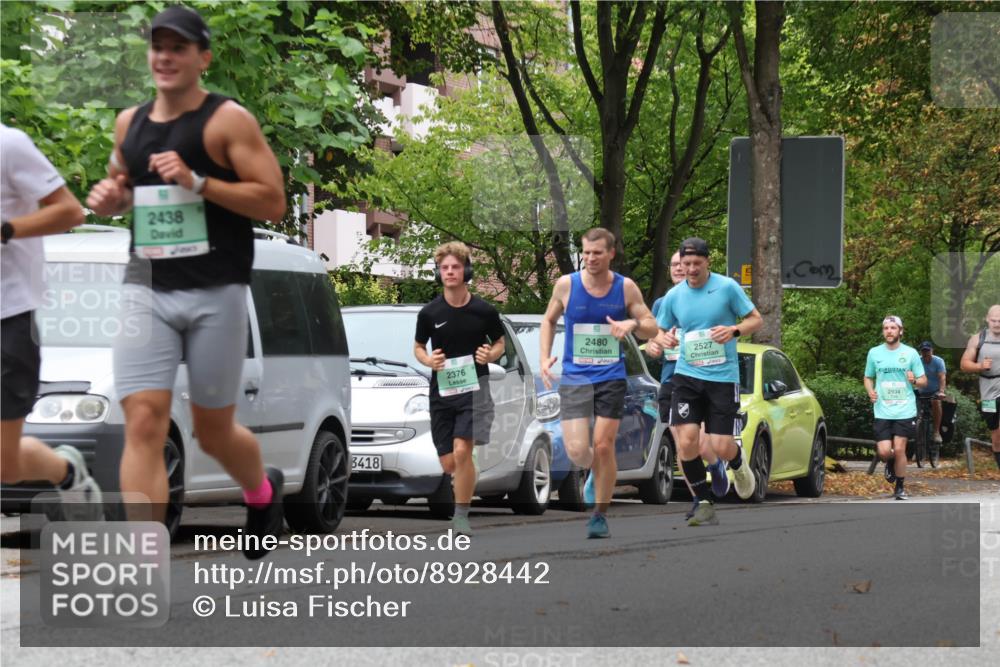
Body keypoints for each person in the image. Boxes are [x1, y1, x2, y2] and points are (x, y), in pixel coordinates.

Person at [85, 6, 287, 558]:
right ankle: (144, 559)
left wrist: (199, 181)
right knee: (144, 421)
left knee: (213, 430)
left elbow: (272, 200)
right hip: (145, 285)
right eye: (157, 47)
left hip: (215, 289)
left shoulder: (227, 120)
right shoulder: (131, 122)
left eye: (178, 48)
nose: (165, 57)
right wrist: (112, 199)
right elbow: (122, 184)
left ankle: (262, 491)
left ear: (203, 57)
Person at [1, 125, 103, 518]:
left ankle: (67, 472)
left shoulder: (8, 145)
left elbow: (69, 211)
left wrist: (6, 230)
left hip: (8, 315)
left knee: (5, 466)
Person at [540, 228, 658, 538]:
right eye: (586, 253)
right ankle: (595, 470)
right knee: (578, 451)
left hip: (610, 377)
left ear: (611, 254)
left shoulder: (625, 288)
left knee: (604, 446)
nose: (590, 258)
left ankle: (599, 516)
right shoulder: (567, 285)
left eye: (597, 253)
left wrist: (631, 324)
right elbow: (549, 320)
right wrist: (544, 357)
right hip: (576, 377)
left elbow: (651, 327)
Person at [653, 237, 762, 526]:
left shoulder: (727, 288)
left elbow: (756, 319)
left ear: (707, 262)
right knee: (686, 442)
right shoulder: (675, 296)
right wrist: (661, 339)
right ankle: (704, 501)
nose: (690, 269)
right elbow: (659, 331)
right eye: (685, 264)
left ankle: (737, 462)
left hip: (723, 378)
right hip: (687, 376)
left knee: (720, 444)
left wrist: (735, 330)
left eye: (696, 264)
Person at [414, 242, 505, 537]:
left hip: (474, 389)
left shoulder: (484, 311)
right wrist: (429, 359)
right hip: (442, 392)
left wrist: (490, 355)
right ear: (438, 273)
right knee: (450, 461)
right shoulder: (429, 313)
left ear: (466, 271)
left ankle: (461, 516)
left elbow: (501, 343)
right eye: (444, 268)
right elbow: (418, 347)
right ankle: (467, 472)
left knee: (462, 449)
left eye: (455, 267)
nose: (450, 272)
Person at [645, 250, 719, 521]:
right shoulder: (663, 304)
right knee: (681, 442)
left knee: (699, 443)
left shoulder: (710, 298)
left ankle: (716, 464)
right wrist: (653, 347)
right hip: (671, 377)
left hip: (704, 376)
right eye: (674, 264)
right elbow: (653, 341)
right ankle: (700, 499)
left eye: (683, 264)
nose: (678, 268)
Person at [863, 316, 926, 499]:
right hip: (882, 409)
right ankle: (890, 463)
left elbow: (924, 380)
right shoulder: (874, 353)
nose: (889, 331)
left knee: (899, 449)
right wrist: (870, 391)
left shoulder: (911, 353)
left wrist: (914, 380)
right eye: (886, 328)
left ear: (900, 331)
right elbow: (868, 377)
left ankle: (900, 487)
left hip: (905, 409)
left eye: (893, 327)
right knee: (884, 451)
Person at [960, 305, 1000, 469]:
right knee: (996, 435)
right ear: (987, 319)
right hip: (988, 390)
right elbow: (964, 364)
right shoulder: (978, 339)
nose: (997, 323)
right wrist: (980, 366)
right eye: (994, 320)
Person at [917, 341, 947, 445]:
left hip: (935, 391)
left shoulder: (938, 361)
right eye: (923, 351)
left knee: (936, 402)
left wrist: (941, 391)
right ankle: (915, 435)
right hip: (921, 391)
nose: (925, 353)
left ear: (931, 351)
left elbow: (942, 377)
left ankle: (936, 432)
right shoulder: (917, 361)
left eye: (927, 351)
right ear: (921, 352)